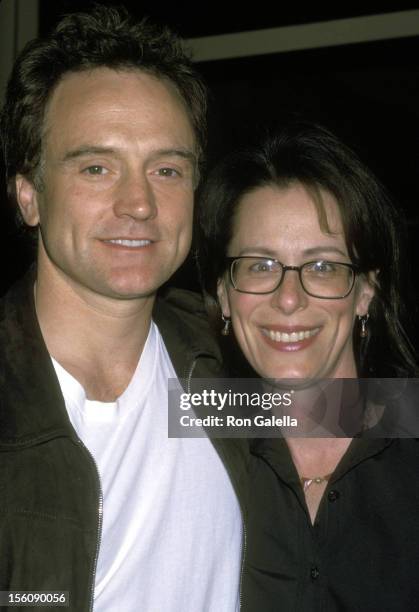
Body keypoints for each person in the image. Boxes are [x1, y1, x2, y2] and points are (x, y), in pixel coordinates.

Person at [0, 6, 247, 611]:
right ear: (29, 194)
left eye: (166, 169)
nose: (138, 203)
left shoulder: (225, 352)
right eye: (96, 167)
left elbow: (373, 421)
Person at [198, 121, 419, 611]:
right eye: (259, 265)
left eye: (323, 266)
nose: (289, 298)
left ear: (366, 292)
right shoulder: (191, 454)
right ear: (223, 295)